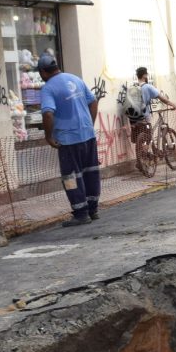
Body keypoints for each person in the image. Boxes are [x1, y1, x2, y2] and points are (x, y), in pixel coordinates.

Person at [38, 52, 100, 227]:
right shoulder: (75, 79)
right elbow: (93, 101)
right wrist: (89, 124)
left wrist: (48, 136)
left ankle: (81, 212)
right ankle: (93, 209)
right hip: (88, 136)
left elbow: (48, 114)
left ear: (43, 72)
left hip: (68, 139)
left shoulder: (48, 88)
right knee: (90, 172)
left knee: (71, 177)